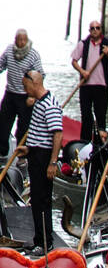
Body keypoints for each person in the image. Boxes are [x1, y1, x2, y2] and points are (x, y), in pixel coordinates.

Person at [17, 69, 61, 254]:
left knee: (42, 200)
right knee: (36, 199)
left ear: (34, 82)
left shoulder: (49, 104)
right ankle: (38, 239)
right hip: (36, 154)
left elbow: (57, 134)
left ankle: (45, 243)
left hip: (44, 158)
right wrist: (28, 149)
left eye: (25, 85)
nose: (24, 89)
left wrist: (52, 162)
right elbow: (39, 135)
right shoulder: (38, 103)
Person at [71, 18, 108, 145]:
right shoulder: (83, 43)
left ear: (101, 30)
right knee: (86, 115)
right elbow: (74, 61)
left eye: (97, 28)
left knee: (101, 115)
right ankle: (84, 142)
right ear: (89, 30)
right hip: (86, 86)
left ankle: (99, 143)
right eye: (92, 28)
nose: (95, 30)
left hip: (101, 86)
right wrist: (83, 72)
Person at [0, 28, 42, 158]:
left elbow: (40, 75)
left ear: (27, 40)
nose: (22, 42)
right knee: (3, 124)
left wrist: (33, 96)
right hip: (10, 93)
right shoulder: (9, 51)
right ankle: (2, 152)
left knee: (23, 127)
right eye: (19, 40)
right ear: (15, 40)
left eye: (24, 40)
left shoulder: (33, 54)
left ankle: (21, 155)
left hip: (26, 96)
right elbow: (1, 65)